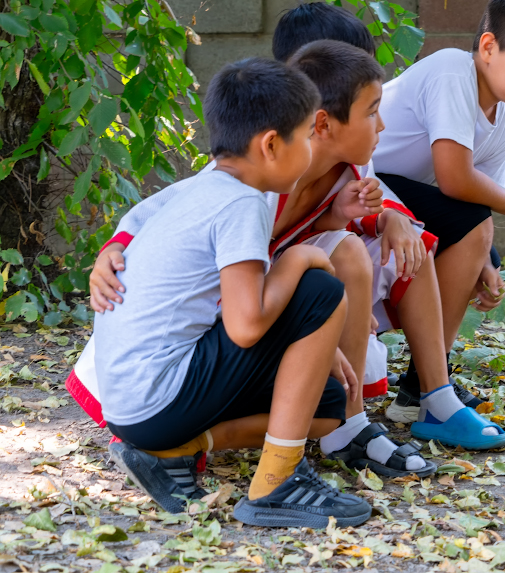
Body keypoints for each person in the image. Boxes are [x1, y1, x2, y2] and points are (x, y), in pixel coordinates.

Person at [82, 14, 505, 458]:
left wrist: (376, 218)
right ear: (318, 118)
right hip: (203, 326)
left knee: (378, 252)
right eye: (371, 109)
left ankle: (407, 406)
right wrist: (113, 248)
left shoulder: (336, 163)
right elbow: (162, 213)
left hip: (247, 296)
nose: (381, 124)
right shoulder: (250, 179)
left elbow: (350, 209)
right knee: (322, 281)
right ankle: (278, 472)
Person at [95, 58, 372, 527]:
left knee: (328, 407)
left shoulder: (204, 189)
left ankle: (172, 454)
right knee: (320, 291)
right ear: (270, 144)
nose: (309, 149)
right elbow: (246, 327)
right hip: (157, 397)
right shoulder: (243, 203)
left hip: (131, 407)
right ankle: (277, 484)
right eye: (305, 136)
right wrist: (301, 257)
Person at [374, 0, 505, 422]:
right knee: (477, 231)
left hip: (412, 200)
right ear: (488, 47)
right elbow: (455, 178)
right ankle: (430, 388)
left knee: (487, 249)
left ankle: (420, 386)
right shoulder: (451, 70)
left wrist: (484, 260)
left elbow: (475, 199)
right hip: (364, 185)